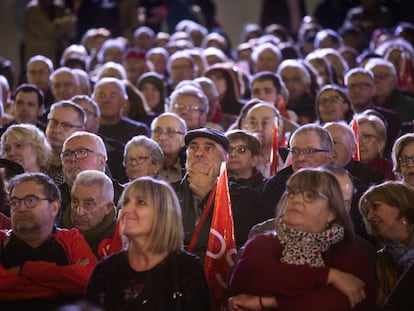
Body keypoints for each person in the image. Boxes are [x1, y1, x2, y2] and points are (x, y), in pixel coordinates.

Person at [228, 168, 374, 311]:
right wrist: (328, 275)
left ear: (332, 212)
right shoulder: (263, 242)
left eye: (310, 196)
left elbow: (334, 303)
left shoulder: (351, 254)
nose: (296, 200)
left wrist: (266, 302)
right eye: (292, 193)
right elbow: (247, 277)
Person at [84, 177, 211, 310]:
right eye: (126, 202)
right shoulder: (105, 270)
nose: (127, 209)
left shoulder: (187, 269)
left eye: (140, 202)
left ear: (162, 214)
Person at [0, 173, 97, 309]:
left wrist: (25, 270)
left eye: (30, 201)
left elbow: (89, 280)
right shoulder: (1, 239)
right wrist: (59, 288)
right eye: (14, 202)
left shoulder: (70, 239)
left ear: (54, 208)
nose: (21, 208)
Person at [171, 127, 262, 258]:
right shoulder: (167, 193)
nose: (198, 154)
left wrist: (207, 194)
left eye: (209, 148)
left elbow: (240, 239)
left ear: (225, 158)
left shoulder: (245, 197)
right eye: (193, 148)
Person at [256, 124, 334, 219]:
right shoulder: (276, 186)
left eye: (309, 151)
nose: (300, 158)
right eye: (295, 151)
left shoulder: (343, 184)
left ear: (329, 156)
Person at [359, 181, 414, 308]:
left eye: (375, 206)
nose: (369, 216)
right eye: (366, 212)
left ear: (400, 203)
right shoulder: (381, 261)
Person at [59, 131, 124, 224]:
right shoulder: (53, 198)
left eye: (81, 152)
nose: (72, 159)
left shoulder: (124, 199)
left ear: (101, 162)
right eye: (67, 154)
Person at [67, 170, 118, 258]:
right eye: (75, 202)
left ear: (108, 208)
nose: (79, 212)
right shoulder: (55, 235)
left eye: (88, 204)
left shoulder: (119, 243)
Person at [92, 77, 149, 145]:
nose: (107, 100)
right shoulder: (87, 129)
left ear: (124, 101)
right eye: (102, 96)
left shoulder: (138, 131)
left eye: (113, 96)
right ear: (93, 100)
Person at [150, 112, 187, 183]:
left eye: (171, 131)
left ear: (183, 140)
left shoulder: (190, 168)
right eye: (157, 131)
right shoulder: (140, 162)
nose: (162, 137)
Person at [356, 114, 394, 180]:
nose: (359, 143)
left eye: (366, 137)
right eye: (355, 137)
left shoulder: (392, 170)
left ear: (380, 143)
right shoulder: (343, 169)